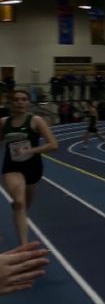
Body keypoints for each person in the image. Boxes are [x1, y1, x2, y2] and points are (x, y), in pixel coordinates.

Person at [1, 90, 59, 245]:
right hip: (11, 166)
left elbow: (53, 145)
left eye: (24, 99)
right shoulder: (3, 122)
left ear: (28, 102)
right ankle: (24, 245)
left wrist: (31, 151)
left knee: (23, 206)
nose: (20, 102)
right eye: (16, 99)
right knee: (19, 203)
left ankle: (18, 210)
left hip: (33, 167)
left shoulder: (36, 121)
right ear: (10, 103)